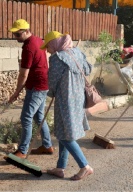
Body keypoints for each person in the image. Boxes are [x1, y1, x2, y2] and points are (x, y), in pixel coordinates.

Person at [41, 31, 94, 180]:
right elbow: (88, 69)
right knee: (65, 131)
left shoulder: (57, 58)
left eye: (48, 46)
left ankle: (84, 166)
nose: (47, 50)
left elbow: (51, 81)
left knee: (64, 135)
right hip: (78, 97)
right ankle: (60, 167)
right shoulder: (77, 52)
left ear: (54, 43)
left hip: (65, 99)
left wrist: (51, 92)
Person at [7, 19, 53, 158]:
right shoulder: (39, 40)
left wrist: (16, 92)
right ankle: (47, 145)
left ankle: (22, 150)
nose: (15, 37)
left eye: (18, 34)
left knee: (26, 117)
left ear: (27, 31)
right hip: (44, 83)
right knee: (39, 117)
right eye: (14, 34)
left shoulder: (28, 47)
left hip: (36, 86)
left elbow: (23, 73)